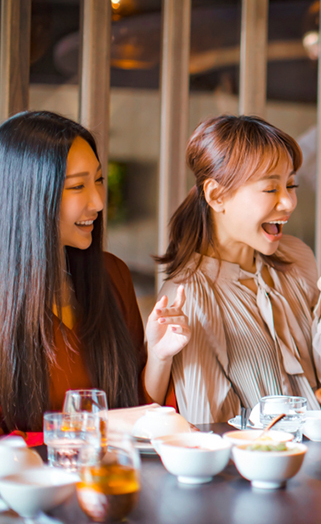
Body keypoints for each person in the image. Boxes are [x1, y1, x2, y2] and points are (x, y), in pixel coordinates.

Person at [157, 115, 321, 424]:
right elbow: (211, 428)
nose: (289, 202)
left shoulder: (297, 258)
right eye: (270, 189)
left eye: (291, 185)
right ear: (216, 195)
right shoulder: (188, 295)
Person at [0, 111, 190, 432]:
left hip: (114, 476)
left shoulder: (111, 275)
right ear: (29, 197)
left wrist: (159, 357)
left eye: (99, 180)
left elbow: (137, 414)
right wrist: (97, 424)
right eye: (77, 187)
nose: (99, 202)